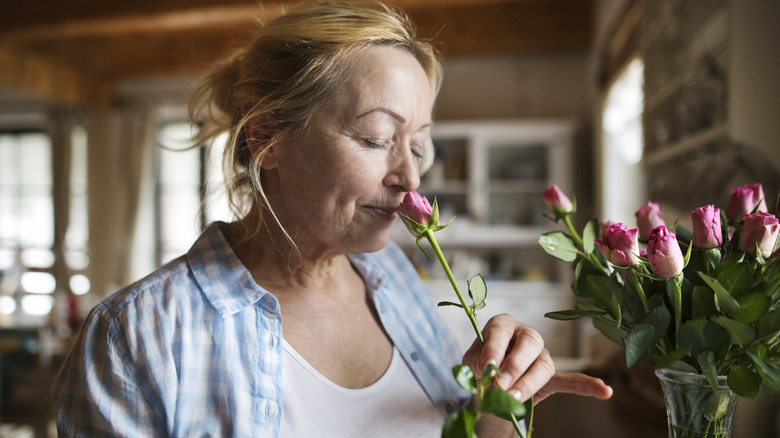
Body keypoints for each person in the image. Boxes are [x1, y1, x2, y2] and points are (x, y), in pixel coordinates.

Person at [51, 2, 612, 436]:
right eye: (375, 139)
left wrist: (496, 412)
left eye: (417, 147)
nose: (410, 179)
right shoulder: (136, 336)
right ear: (266, 136)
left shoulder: (397, 283)